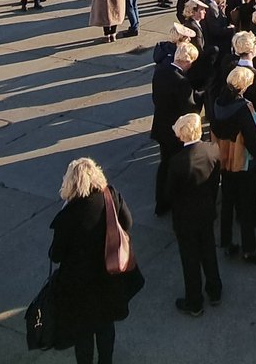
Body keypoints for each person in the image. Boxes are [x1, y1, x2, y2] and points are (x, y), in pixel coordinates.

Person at [49, 157, 142, 364]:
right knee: (106, 326)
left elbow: (56, 255)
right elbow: (127, 222)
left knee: (83, 335)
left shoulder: (68, 216)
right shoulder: (110, 196)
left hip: (79, 285)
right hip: (108, 276)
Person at [210, 67, 256, 266]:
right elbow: (254, 137)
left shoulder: (218, 102)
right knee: (245, 208)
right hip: (243, 162)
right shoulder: (245, 108)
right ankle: (249, 250)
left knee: (227, 203)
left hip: (224, 160)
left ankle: (226, 242)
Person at [163, 113, 223, 315]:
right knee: (208, 251)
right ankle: (215, 291)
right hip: (206, 210)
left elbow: (170, 192)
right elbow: (215, 181)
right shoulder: (212, 150)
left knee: (190, 259)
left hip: (185, 218)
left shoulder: (177, 162)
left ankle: (194, 301)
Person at [151, 42, 200, 214]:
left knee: (164, 164)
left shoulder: (160, 72)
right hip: (177, 131)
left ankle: (160, 201)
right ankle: (174, 198)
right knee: (176, 165)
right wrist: (199, 97)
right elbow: (190, 109)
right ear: (187, 62)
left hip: (161, 126)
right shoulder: (182, 82)